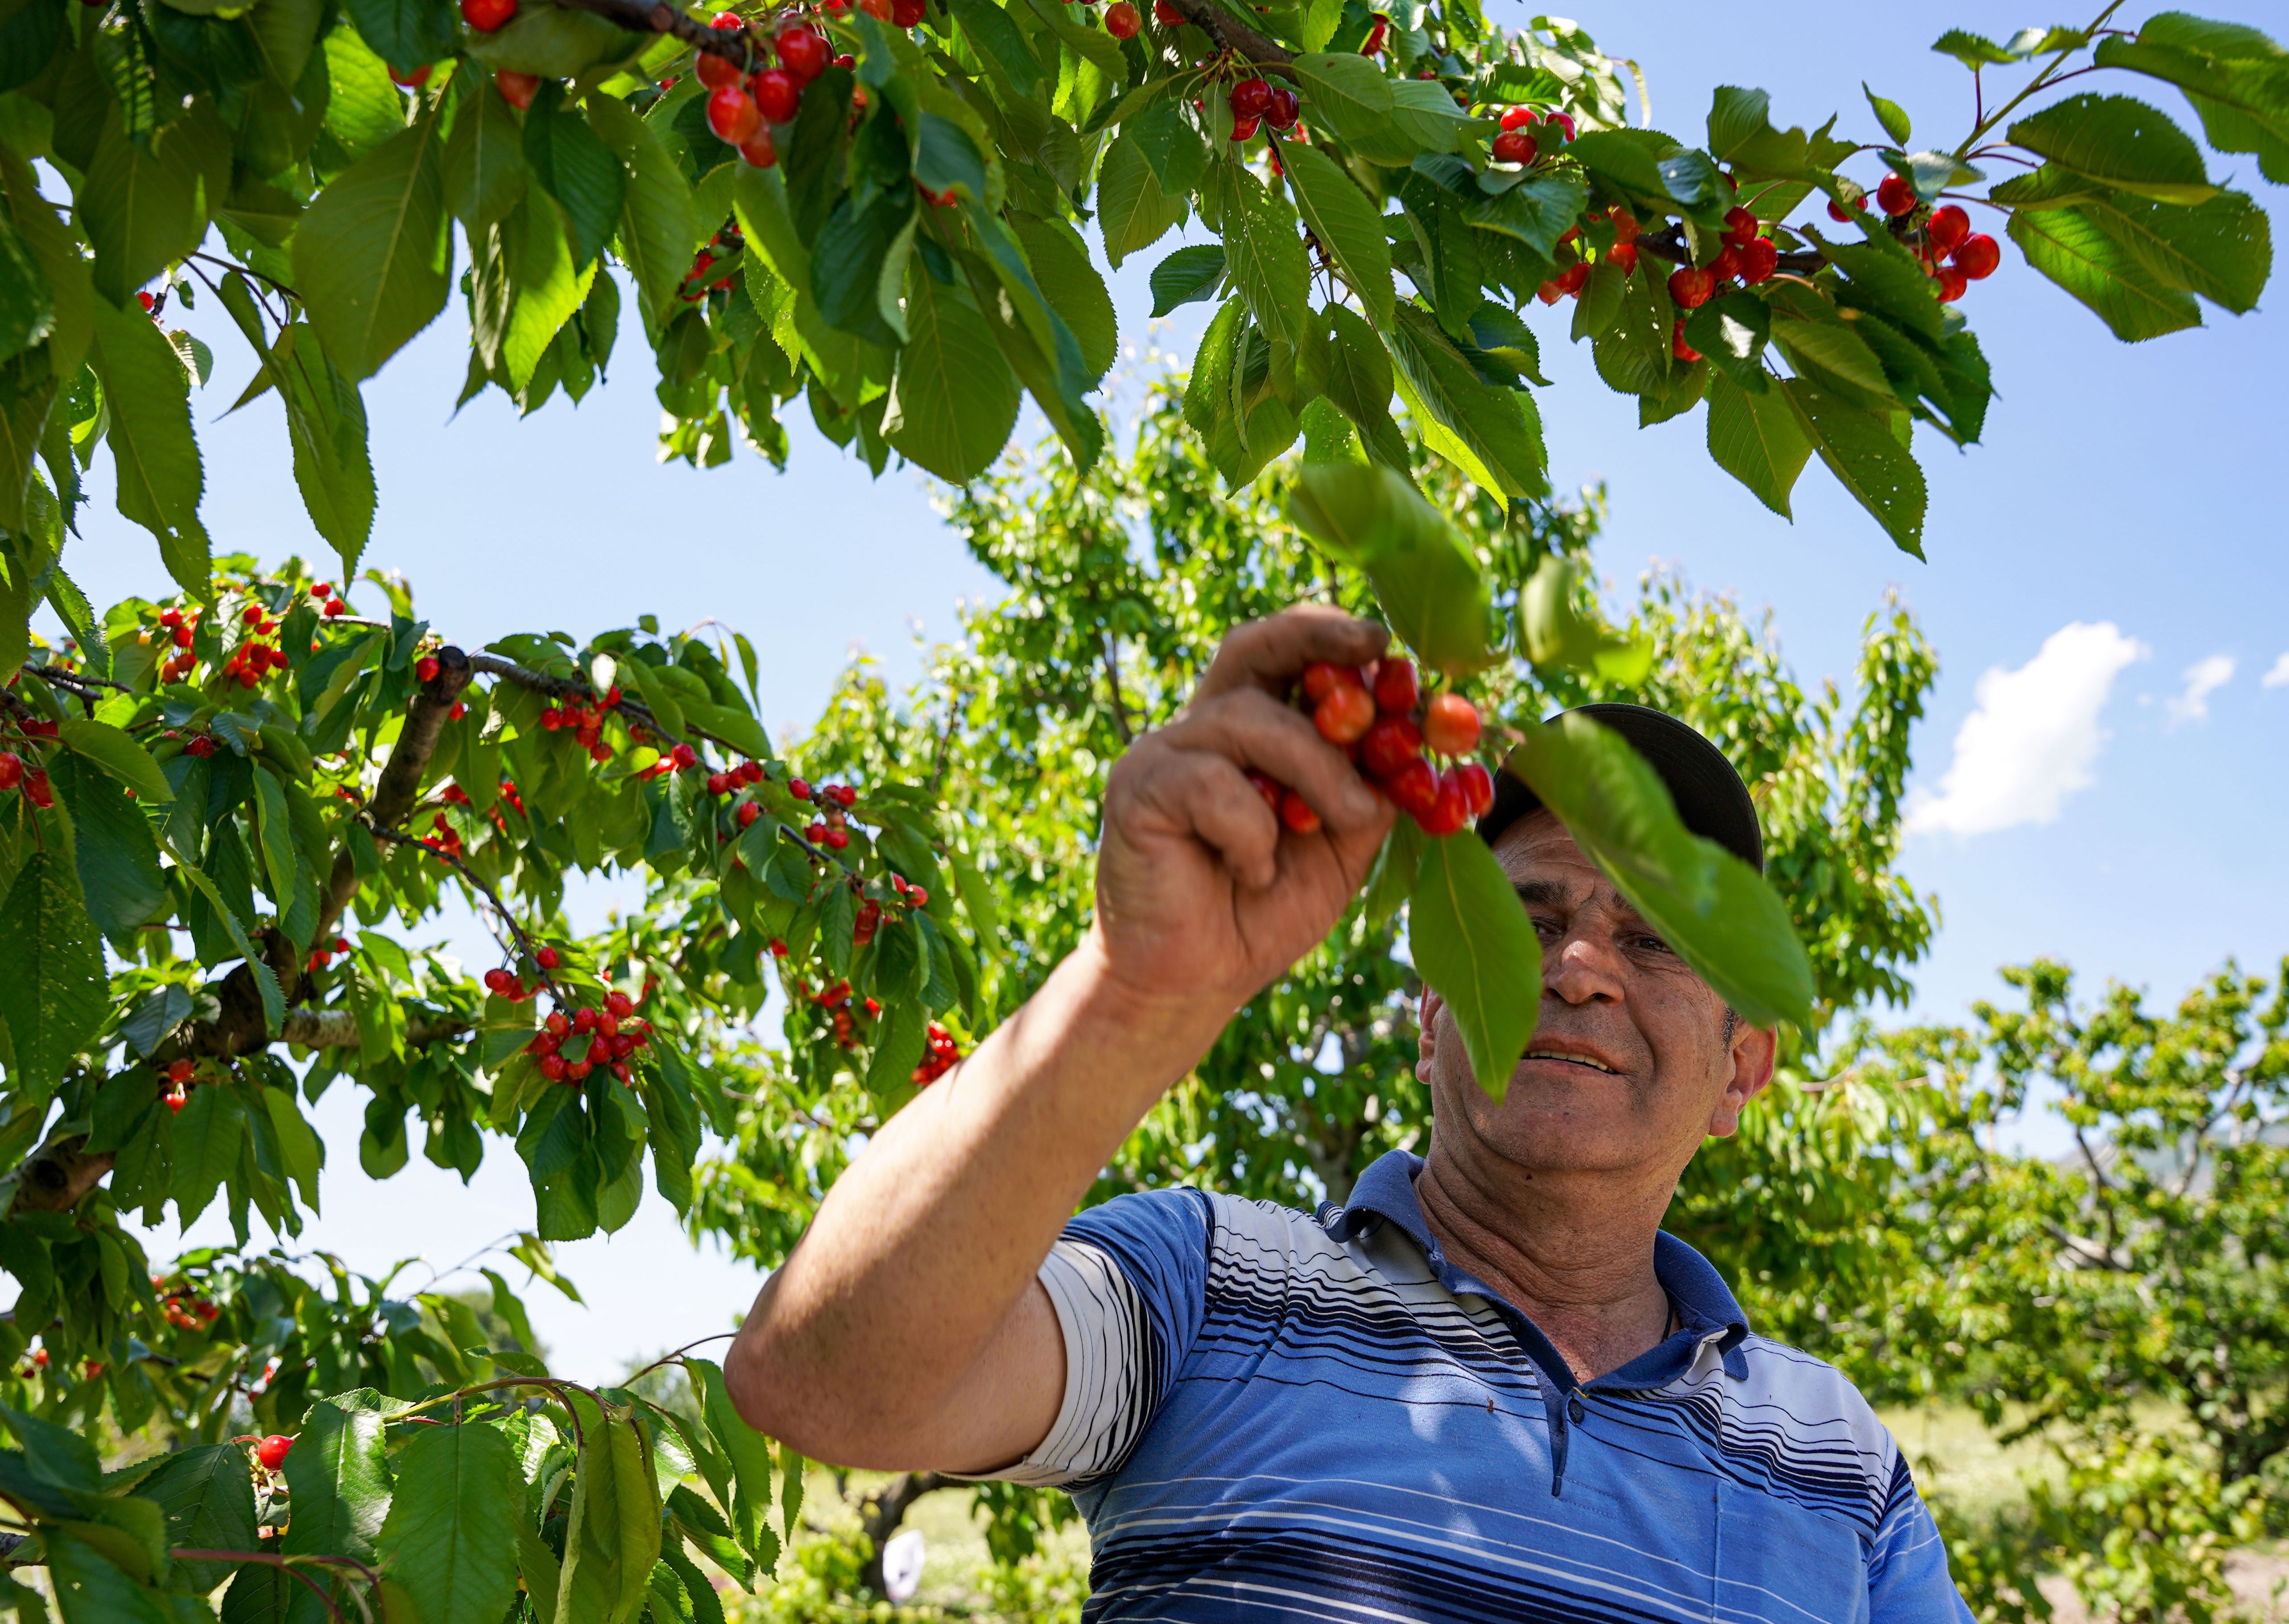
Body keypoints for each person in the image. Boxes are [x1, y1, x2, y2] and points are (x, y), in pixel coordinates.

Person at [726, 607, 1972, 1621]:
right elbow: (827, 1385)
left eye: (1651, 938)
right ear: (1433, 1015)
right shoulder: (1208, 1290)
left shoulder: (1836, 1461)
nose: (1582, 964)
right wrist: (1131, 992)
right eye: (1529, 919)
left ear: (1743, 1071)